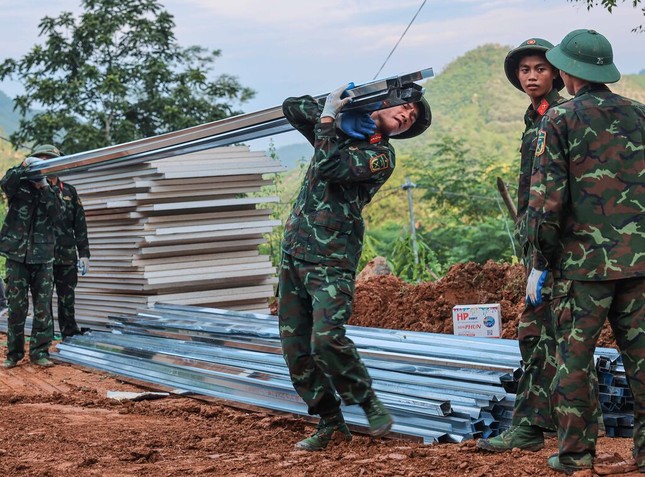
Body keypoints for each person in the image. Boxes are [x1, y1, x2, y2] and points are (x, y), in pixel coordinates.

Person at [278, 83, 432, 451]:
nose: (407, 116)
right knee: (296, 350)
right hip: (295, 249)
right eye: (406, 107)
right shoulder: (341, 128)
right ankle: (330, 421)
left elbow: (330, 166)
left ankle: (368, 402)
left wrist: (331, 121)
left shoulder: (380, 155)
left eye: (411, 119)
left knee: (326, 338)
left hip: (331, 258)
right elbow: (291, 107)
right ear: (384, 102)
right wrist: (344, 107)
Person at [525, 29, 644, 474]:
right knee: (643, 360)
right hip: (641, 263)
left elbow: (545, 204)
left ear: (567, 72)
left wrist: (539, 261)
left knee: (574, 361)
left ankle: (576, 456)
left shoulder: (558, 119)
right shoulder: (641, 114)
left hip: (582, 269)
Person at [477, 38, 567, 453]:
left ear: (557, 74)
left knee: (536, 332)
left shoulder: (559, 117)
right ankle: (557, 423)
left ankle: (531, 428)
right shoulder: (534, 118)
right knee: (554, 334)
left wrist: (542, 256)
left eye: (540, 69)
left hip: (558, 247)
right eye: (525, 70)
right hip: (543, 245)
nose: (531, 76)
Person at [0, 145, 62, 368]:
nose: (43, 164)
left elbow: (58, 215)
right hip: (16, 255)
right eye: (40, 160)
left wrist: (44, 186)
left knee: (43, 306)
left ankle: (40, 352)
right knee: (16, 307)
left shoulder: (55, 190)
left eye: (48, 161)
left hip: (43, 256)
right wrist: (24, 165)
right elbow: (6, 183)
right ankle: (13, 355)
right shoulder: (19, 184)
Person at [33, 145, 91, 338]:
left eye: (50, 160)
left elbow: (79, 225)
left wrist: (84, 254)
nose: (47, 164)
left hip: (66, 255)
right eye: (42, 160)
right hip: (42, 256)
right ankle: (44, 338)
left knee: (67, 298)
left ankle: (69, 334)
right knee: (44, 299)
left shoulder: (69, 192)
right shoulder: (34, 191)